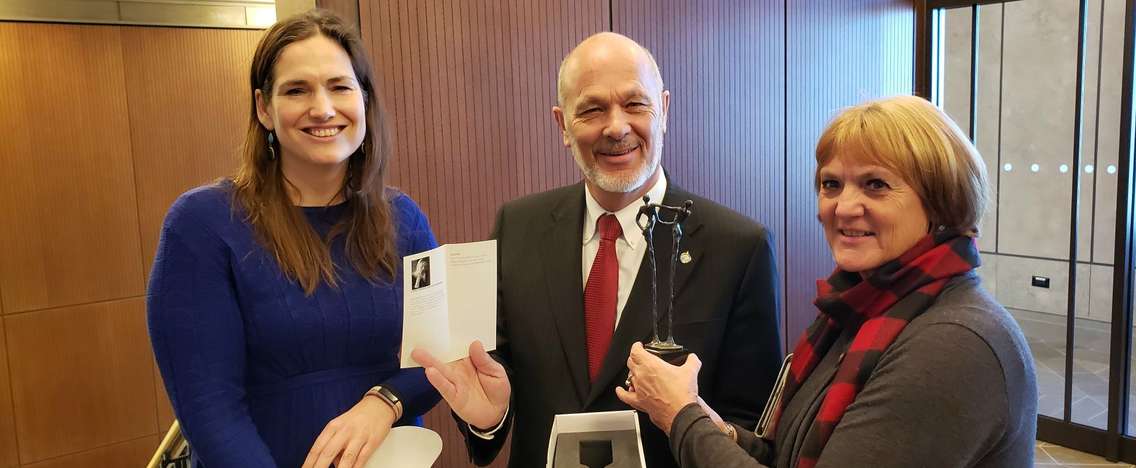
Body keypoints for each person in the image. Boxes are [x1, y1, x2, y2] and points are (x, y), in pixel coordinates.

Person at [412, 32, 783, 468]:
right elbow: (498, 373)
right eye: (591, 109)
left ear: (663, 110)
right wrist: (488, 418)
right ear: (562, 125)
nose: (617, 126)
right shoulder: (517, 226)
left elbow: (752, 430)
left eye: (635, 104)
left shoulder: (737, 247)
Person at [618, 95, 1038, 467]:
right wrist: (707, 421)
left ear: (942, 200)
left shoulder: (954, 343)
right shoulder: (855, 312)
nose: (844, 207)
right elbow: (785, 453)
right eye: (831, 184)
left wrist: (680, 416)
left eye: (876, 185)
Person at [147, 10, 439, 468]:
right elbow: (210, 410)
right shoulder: (202, 225)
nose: (322, 108)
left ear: (364, 100)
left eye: (340, 86)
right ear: (264, 108)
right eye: (297, 90)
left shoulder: (402, 218)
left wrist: (384, 401)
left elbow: (441, 356)